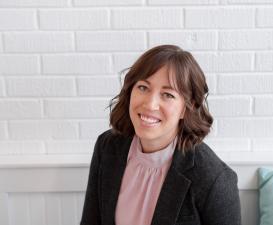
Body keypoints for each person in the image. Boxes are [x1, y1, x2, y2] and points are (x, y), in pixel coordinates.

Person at [80, 45, 241, 225]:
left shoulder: (213, 178)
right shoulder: (107, 146)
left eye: (167, 95)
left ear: (186, 108)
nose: (150, 105)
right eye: (143, 87)